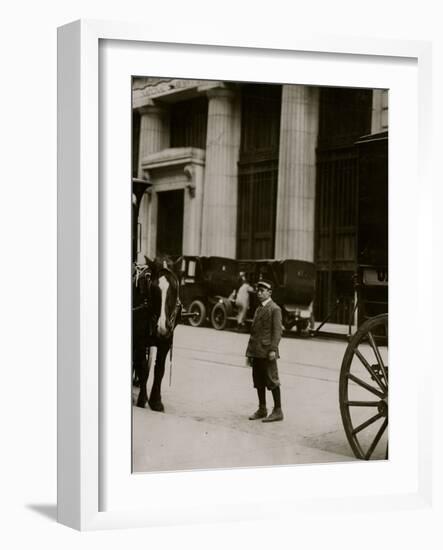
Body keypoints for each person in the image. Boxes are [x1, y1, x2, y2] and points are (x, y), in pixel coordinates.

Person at [245, 280, 284, 422]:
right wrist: (249, 353)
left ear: (270, 292)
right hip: (257, 351)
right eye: (258, 290)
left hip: (268, 352)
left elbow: (277, 332)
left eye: (263, 291)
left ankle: (278, 410)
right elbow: (254, 332)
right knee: (259, 381)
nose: (259, 293)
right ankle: (262, 408)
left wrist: (273, 349)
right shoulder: (259, 308)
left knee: (272, 380)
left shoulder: (275, 309)